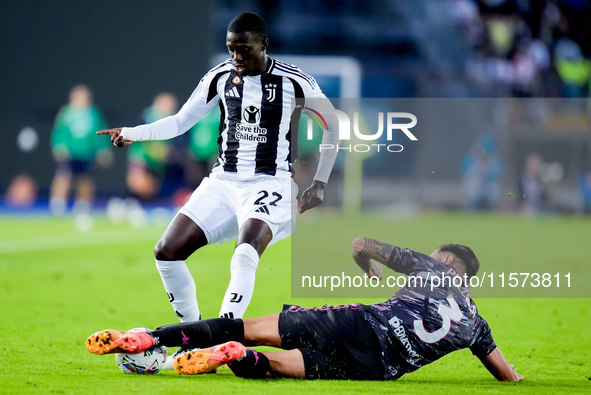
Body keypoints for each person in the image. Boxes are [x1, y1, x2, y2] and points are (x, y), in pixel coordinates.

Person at [97, 12, 339, 329]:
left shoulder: (294, 81)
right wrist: (133, 132)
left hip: (270, 184)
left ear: (263, 44)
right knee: (166, 252)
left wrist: (320, 182)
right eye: (231, 49)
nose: (236, 57)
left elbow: (332, 125)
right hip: (223, 184)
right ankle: (193, 333)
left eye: (244, 49)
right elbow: (181, 121)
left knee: (244, 253)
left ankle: (221, 338)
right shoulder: (220, 77)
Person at [86, 236, 523, 382]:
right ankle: (239, 359)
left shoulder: (434, 267)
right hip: (377, 368)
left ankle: (151, 339)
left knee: (244, 326)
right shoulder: (477, 324)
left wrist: (366, 266)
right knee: (280, 365)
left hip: (360, 322)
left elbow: (359, 244)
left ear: (448, 262)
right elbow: (508, 376)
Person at [50, 84, 111, 218]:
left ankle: (83, 206)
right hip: (70, 152)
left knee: (85, 179)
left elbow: (100, 133)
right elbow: (59, 131)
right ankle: (57, 205)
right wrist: (59, 146)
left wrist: (103, 150)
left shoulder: (94, 113)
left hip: (86, 152)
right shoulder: (66, 112)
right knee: (63, 177)